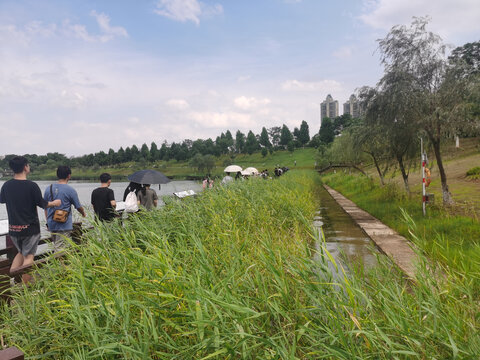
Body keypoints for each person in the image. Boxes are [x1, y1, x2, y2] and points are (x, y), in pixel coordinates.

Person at [0, 156, 61, 272]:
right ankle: (25, 287)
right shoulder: (31, 186)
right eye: (28, 165)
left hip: (13, 229)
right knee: (28, 257)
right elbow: (43, 203)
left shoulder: (6, 186)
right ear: (25, 167)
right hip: (30, 229)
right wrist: (54, 203)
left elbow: (2, 200)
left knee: (21, 253)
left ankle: (11, 283)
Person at [43, 166, 86, 251]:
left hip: (51, 222)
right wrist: (83, 213)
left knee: (57, 244)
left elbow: (45, 207)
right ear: (69, 176)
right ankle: (58, 264)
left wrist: (48, 222)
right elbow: (78, 206)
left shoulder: (49, 188)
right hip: (64, 224)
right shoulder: (70, 190)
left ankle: (57, 263)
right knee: (60, 249)